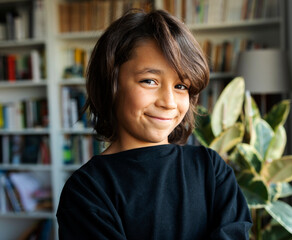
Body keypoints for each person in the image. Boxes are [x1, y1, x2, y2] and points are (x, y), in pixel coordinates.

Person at [56, 9, 252, 240]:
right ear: (110, 84)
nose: (169, 102)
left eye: (181, 86)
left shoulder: (211, 168)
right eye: (149, 81)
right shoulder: (86, 189)